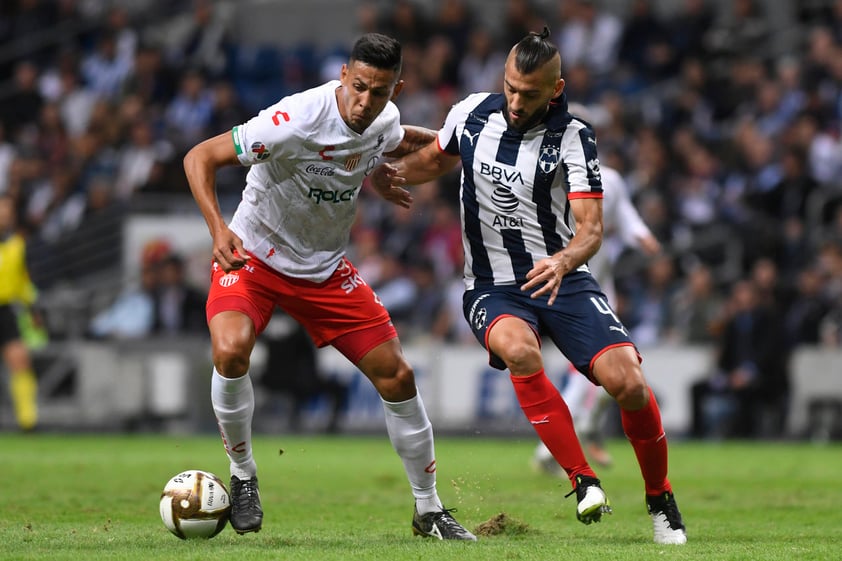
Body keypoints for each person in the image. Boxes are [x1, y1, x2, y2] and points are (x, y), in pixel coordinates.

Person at [370, 28, 686, 545]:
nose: (516, 102)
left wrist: (563, 260)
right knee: (520, 351)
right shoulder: (471, 112)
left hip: (563, 277)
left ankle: (660, 497)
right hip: (492, 285)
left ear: (556, 89)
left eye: (531, 94)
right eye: (511, 88)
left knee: (627, 383)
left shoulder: (575, 137)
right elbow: (437, 159)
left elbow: (591, 229)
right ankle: (583, 480)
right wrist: (391, 173)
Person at [182, 33, 475, 540]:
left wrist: (396, 169)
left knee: (398, 377)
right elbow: (199, 158)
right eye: (358, 86)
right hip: (254, 251)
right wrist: (217, 230)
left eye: (379, 91)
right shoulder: (290, 120)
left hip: (323, 267)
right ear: (343, 74)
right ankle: (244, 477)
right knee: (230, 352)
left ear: (395, 88)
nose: (365, 101)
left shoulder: (382, 119)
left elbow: (413, 141)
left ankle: (428, 511)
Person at [532, 116, 662, 472]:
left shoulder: (610, 179)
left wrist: (642, 235)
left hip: (599, 287)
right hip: (560, 281)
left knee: (605, 369)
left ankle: (569, 435)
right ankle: (569, 434)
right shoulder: (548, 176)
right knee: (598, 370)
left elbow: (626, 216)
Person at [0, 194, 39, 431]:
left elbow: (24, 282)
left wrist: (32, 309)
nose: (4, 214)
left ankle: (28, 422)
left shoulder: (17, 245)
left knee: (19, 360)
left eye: (7, 209)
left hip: (5, 309)